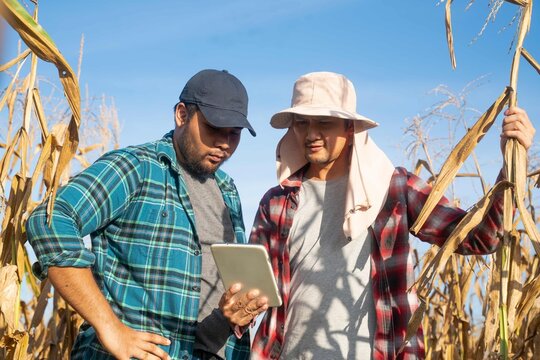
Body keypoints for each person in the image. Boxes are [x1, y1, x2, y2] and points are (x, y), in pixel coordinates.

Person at [247, 71, 535, 359]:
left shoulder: (393, 189)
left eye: (323, 122)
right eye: (301, 123)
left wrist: (512, 164)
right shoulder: (276, 203)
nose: (310, 135)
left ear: (350, 127)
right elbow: (253, 293)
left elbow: (480, 238)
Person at [26, 69, 268, 360]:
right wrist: (110, 327)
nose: (225, 144)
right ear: (181, 115)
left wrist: (230, 316)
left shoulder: (228, 190)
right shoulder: (135, 167)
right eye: (215, 128)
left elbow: (198, 320)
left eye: (234, 134)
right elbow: (49, 221)